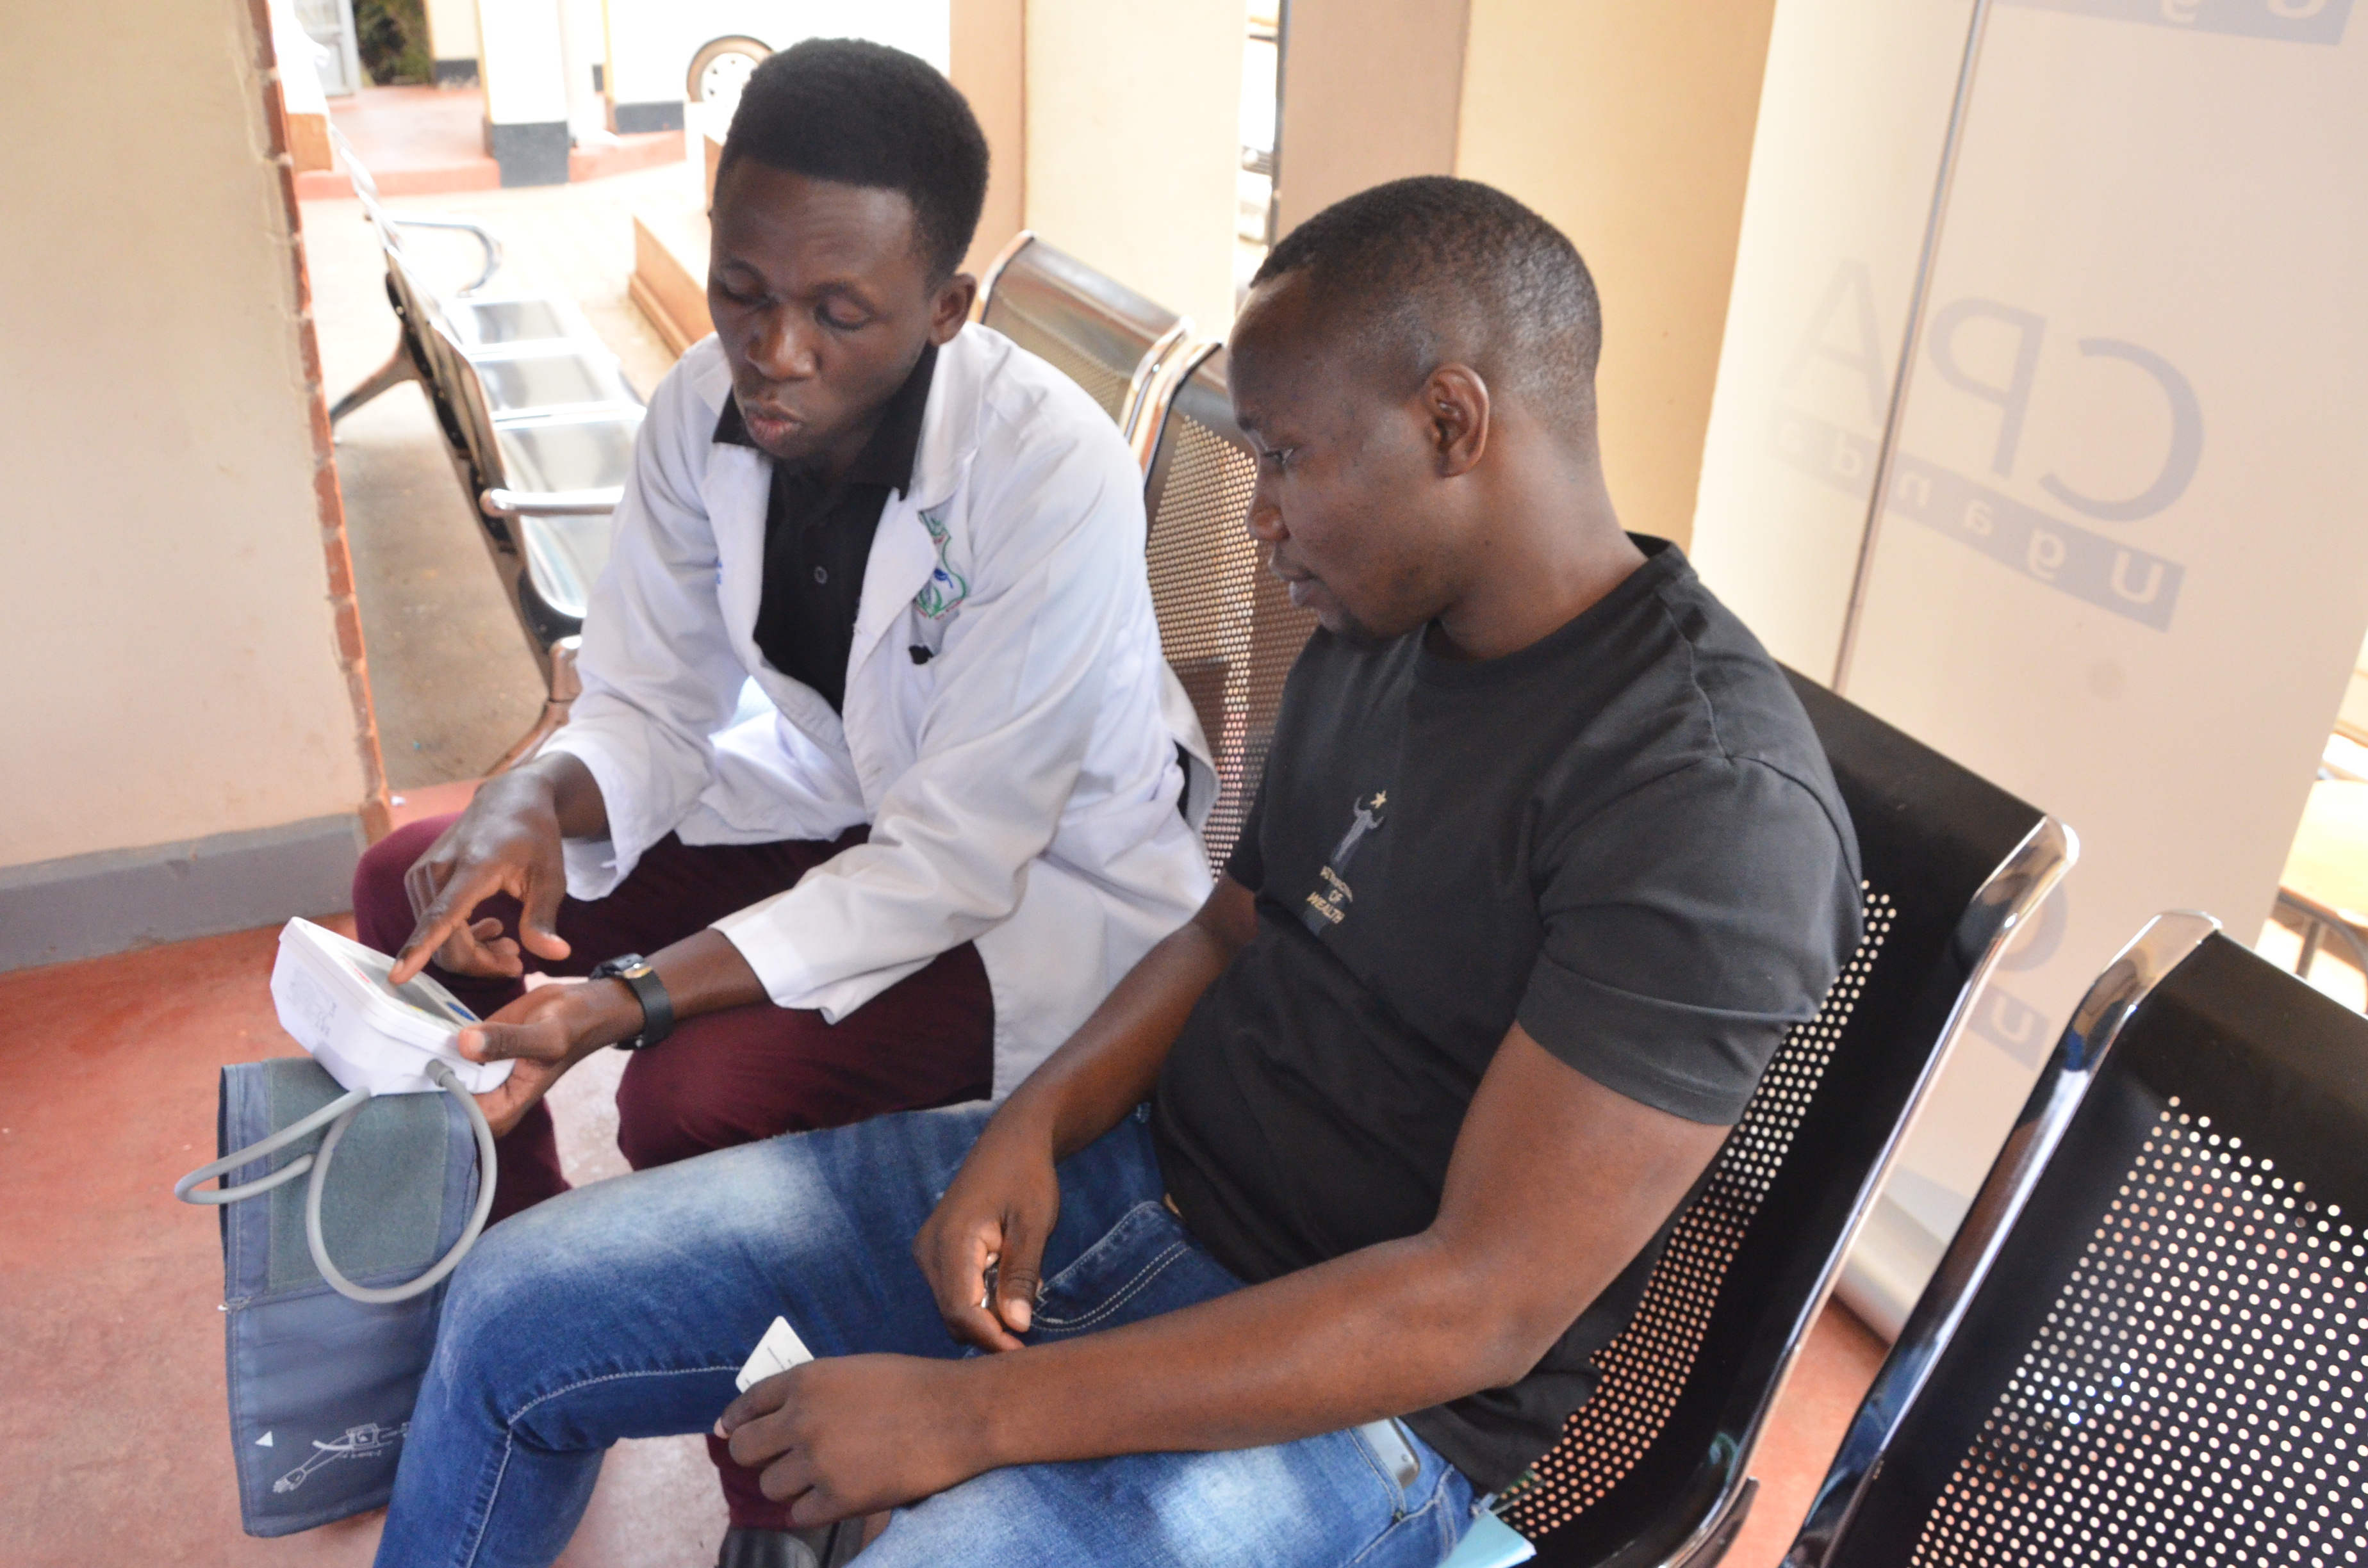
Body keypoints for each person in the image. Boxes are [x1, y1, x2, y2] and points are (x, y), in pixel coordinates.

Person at [372, 177, 1862, 1568]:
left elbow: (1474, 1304)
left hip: (1366, 1404)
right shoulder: (1381, 635)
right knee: (512, 1310)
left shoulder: (1704, 806)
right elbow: (1227, 930)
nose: (1259, 511)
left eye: (1285, 455)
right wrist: (1032, 1125)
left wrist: (967, 1418)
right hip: (1136, 1189)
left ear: (1453, 424)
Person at [347, 38, 1212, 1553]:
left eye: (840, 312)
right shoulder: (699, 411)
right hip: (824, 807)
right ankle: (547, 1292)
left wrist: (623, 999)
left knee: (698, 1097)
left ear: (945, 312)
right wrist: (531, 800)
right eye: (743, 289)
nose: (775, 354)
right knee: (411, 887)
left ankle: (782, 1492)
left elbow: (951, 860)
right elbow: (651, 701)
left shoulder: (1045, 471)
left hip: (1031, 900)